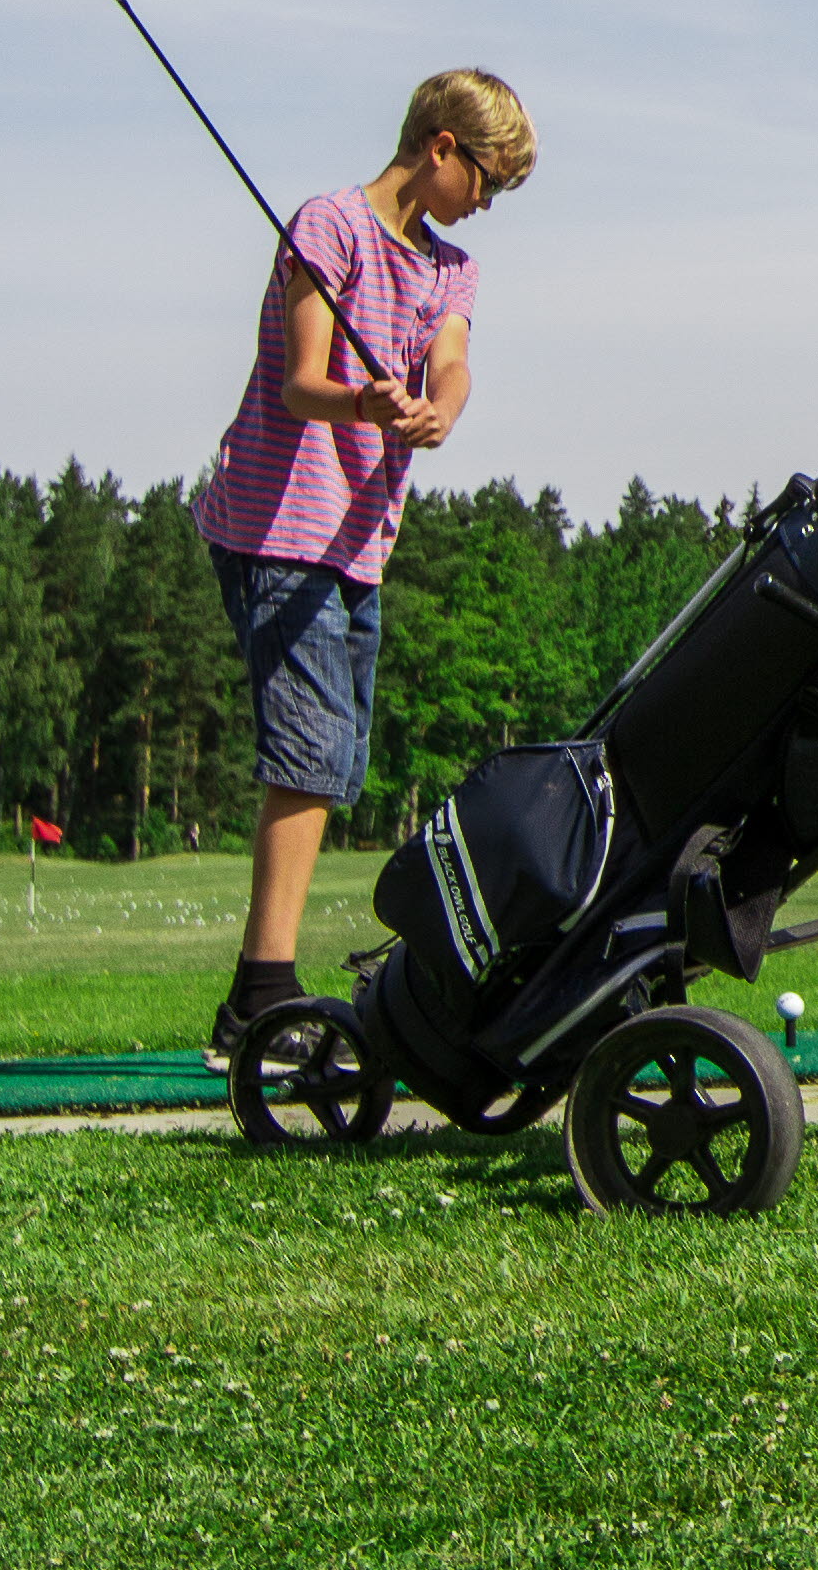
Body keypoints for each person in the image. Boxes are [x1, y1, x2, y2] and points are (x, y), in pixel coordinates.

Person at [192, 67, 536, 1066]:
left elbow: (452, 362)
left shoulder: (450, 268)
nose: (486, 203)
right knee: (306, 753)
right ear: (440, 146)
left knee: (335, 759)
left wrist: (439, 410)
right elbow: (301, 383)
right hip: (276, 525)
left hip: (357, 539)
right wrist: (364, 403)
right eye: (486, 180)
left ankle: (253, 994)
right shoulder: (328, 226)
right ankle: (262, 997)